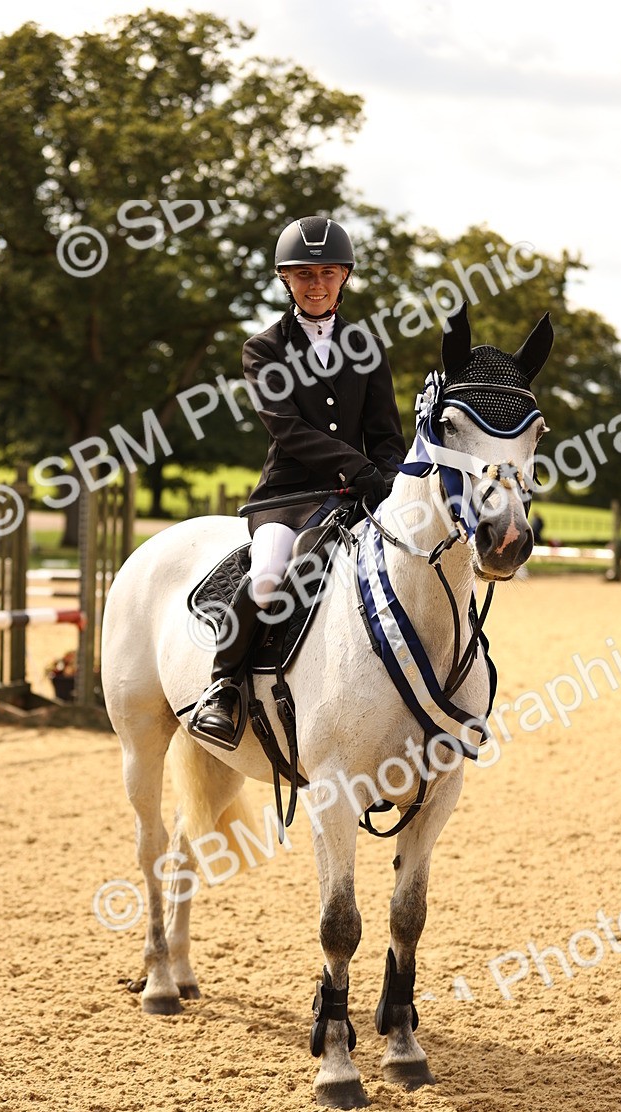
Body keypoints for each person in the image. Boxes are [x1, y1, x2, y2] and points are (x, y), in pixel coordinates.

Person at [191, 215, 406, 745]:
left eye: (327, 273)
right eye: (304, 274)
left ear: (345, 278)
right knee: (267, 578)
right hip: (288, 496)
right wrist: (356, 467)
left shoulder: (367, 346)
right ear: (285, 279)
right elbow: (286, 428)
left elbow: (385, 433)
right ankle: (224, 688)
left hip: (359, 496)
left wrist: (391, 481)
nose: (316, 284)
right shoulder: (263, 348)